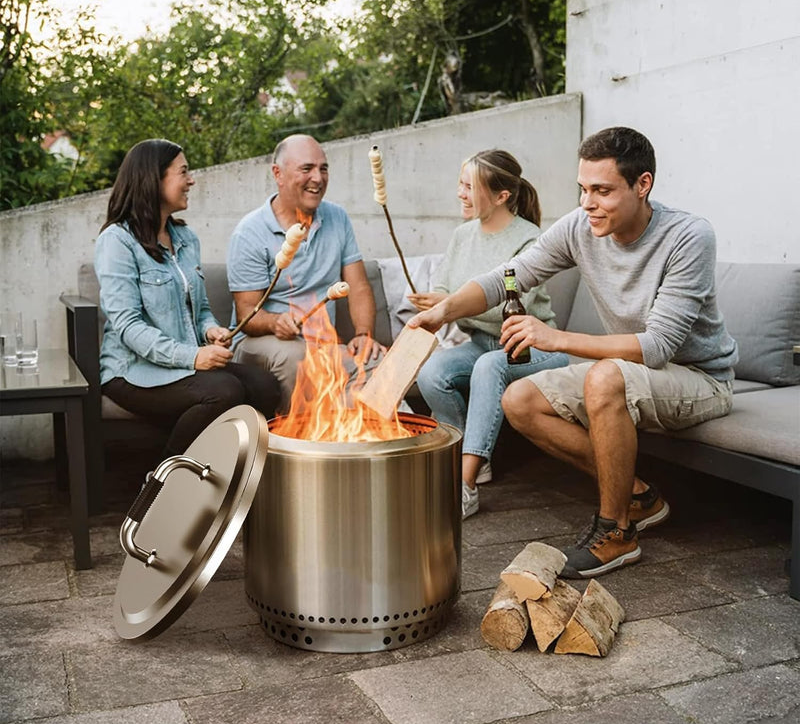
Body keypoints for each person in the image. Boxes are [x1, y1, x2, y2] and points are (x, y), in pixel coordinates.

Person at [409, 127, 737, 578]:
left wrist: (555, 337)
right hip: (630, 369)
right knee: (520, 400)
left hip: (699, 377)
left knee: (604, 376)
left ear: (643, 185)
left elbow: (657, 346)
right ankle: (640, 497)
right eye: (583, 189)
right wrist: (443, 311)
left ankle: (616, 531)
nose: (588, 203)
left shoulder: (689, 236)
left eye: (602, 190)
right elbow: (507, 276)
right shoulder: (582, 226)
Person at [95, 139, 281, 459]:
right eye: (184, 172)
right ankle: (165, 485)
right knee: (224, 392)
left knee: (265, 385)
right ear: (154, 179)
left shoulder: (185, 238)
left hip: (183, 365)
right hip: (133, 371)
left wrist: (210, 330)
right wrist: (193, 356)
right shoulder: (117, 242)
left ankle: (225, 473)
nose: (191, 180)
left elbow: (201, 309)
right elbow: (127, 326)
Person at [409, 150, 568, 520]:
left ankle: (464, 487)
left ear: (502, 196)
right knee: (432, 373)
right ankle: (472, 454)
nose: (460, 194)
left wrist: (451, 301)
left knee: (488, 369)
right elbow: (445, 285)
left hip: (531, 347)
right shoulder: (462, 235)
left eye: (469, 186)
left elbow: (507, 307)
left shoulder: (529, 240)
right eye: (460, 184)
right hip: (481, 344)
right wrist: (438, 300)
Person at [227, 134, 382, 408]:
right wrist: (275, 322)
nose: (318, 178)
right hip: (260, 343)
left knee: (379, 362)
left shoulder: (338, 218)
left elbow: (357, 287)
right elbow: (246, 314)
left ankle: (341, 441)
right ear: (279, 174)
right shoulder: (249, 232)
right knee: (297, 356)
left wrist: (363, 334)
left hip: (321, 345)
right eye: (307, 169)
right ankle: (297, 444)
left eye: (323, 168)